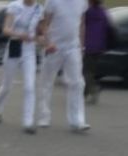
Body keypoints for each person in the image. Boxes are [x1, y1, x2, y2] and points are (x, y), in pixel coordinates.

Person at [0, 0, 45, 134]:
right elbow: (5, 29)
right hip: (14, 47)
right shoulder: (14, 6)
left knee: (29, 86)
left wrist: (41, 38)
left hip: (29, 50)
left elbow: (40, 32)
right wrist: (19, 34)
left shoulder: (39, 9)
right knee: (7, 85)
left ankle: (28, 122)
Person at [38, 0, 91, 132]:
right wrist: (47, 43)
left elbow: (82, 24)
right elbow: (44, 24)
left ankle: (77, 120)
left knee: (77, 82)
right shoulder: (52, 1)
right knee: (46, 82)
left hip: (73, 47)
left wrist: (82, 46)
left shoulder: (82, 2)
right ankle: (44, 116)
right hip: (53, 47)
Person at [83, 0, 112, 105]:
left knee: (86, 71)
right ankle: (86, 93)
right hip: (100, 46)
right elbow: (108, 28)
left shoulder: (88, 12)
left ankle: (93, 89)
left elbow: (81, 26)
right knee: (91, 70)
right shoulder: (103, 12)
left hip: (89, 45)